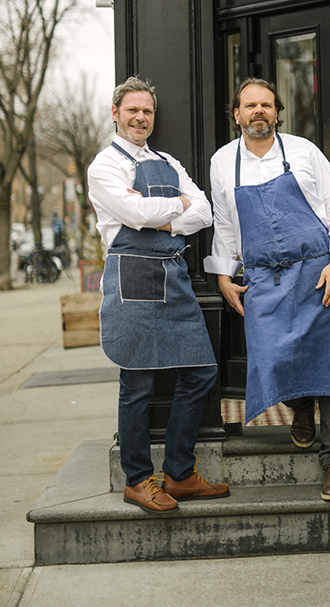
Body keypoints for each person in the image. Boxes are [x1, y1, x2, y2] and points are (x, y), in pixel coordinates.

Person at [204, 78, 330, 500]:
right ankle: (301, 407)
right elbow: (226, 223)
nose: (259, 112)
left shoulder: (304, 151)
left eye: (266, 105)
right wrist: (223, 274)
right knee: (274, 358)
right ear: (236, 114)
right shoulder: (222, 162)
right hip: (263, 279)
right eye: (250, 105)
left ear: (276, 112)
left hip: (317, 274)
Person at [88, 76, 229, 513]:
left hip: (174, 277)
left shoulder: (167, 160)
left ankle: (179, 474)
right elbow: (132, 212)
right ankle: (136, 479)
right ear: (116, 113)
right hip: (132, 279)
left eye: (147, 111)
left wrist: (163, 217)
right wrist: (177, 207)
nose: (140, 118)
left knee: (201, 372)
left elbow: (204, 211)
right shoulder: (104, 166)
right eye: (132, 110)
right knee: (138, 383)